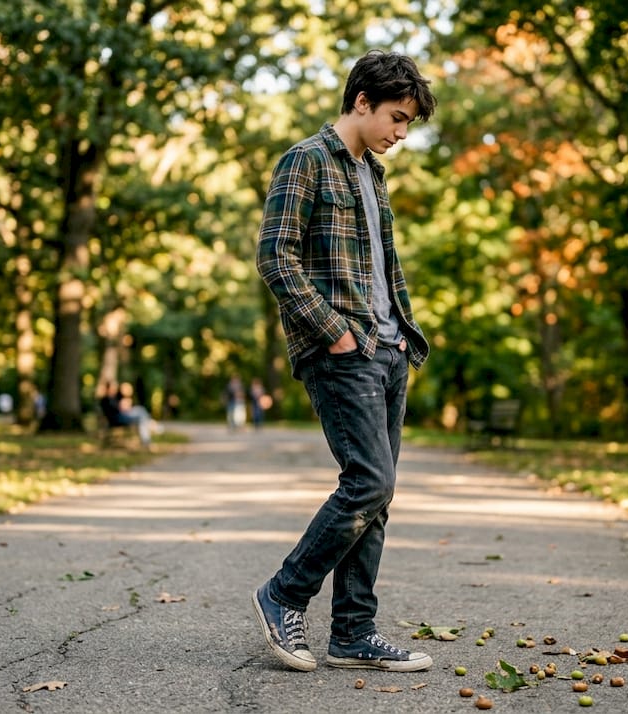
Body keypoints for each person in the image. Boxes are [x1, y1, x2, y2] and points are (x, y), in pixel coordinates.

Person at [251, 50, 435, 674]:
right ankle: (284, 593)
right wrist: (334, 333)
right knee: (369, 482)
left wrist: (402, 335)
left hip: (388, 348)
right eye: (397, 117)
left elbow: (384, 267)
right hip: (343, 349)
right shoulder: (305, 160)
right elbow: (275, 257)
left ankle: (354, 631)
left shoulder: (373, 175)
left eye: (408, 122)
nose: (401, 133)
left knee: (378, 498)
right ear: (362, 101)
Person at [97, 381, 152, 448]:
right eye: (113, 387)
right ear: (108, 388)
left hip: (121, 417)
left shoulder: (113, 397)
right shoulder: (106, 399)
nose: (115, 388)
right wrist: (122, 406)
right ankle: (146, 440)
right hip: (118, 419)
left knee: (141, 412)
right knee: (142, 414)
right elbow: (116, 410)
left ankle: (146, 439)